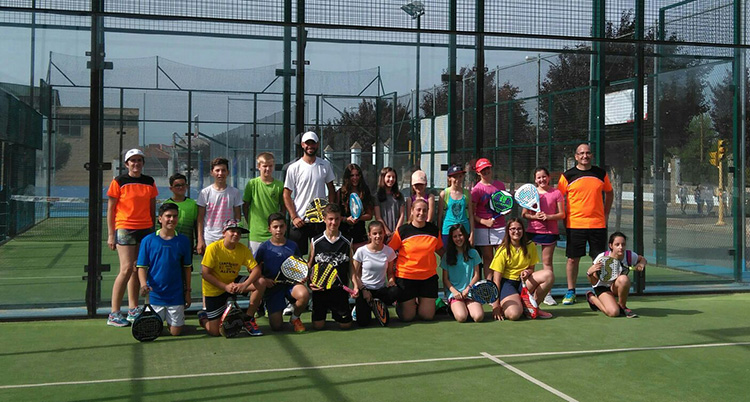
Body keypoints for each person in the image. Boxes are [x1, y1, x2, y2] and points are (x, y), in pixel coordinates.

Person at [106, 148, 158, 327]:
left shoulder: (149, 182)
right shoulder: (118, 182)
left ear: (143, 163)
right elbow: (111, 209)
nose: (136, 164)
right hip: (125, 228)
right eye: (132, 161)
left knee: (138, 268)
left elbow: (152, 207)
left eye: (139, 160)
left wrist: (153, 228)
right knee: (126, 268)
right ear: (127, 164)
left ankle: (133, 309)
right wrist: (111, 235)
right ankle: (114, 313)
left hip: (146, 229)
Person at [557, 144, 613, 305]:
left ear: (591, 155)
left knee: (599, 261)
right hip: (575, 225)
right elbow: (559, 198)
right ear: (576, 156)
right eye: (581, 153)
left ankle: (599, 290)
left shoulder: (600, 174)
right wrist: (564, 218)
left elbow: (609, 192)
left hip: (597, 224)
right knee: (572, 260)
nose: (585, 156)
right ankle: (570, 292)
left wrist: (606, 213)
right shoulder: (567, 176)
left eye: (588, 153)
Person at [201, 219, 265, 336]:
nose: (236, 234)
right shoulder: (213, 248)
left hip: (234, 284)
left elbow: (256, 270)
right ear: (224, 232)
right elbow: (205, 274)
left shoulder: (243, 249)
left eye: (239, 232)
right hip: (215, 289)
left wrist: (244, 285)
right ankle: (203, 318)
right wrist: (225, 287)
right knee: (214, 332)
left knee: (261, 282)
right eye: (232, 231)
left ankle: (248, 319)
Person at [136, 203, 193, 336]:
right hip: (155, 295)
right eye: (168, 216)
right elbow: (141, 267)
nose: (171, 219)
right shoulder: (148, 240)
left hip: (176, 295)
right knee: (153, 331)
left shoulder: (183, 241)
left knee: (175, 333)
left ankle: (177, 323)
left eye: (174, 216)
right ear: (160, 218)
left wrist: (187, 291)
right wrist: (143, 284)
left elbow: (187, 268)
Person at [389, 198, 444, 321]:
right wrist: (390, 275)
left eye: (425, 210)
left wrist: (457, 258)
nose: (421, 213)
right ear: (412, 211)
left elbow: (440, 250)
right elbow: (389, 252)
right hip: (406, 277)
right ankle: (403, 303)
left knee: (427, 316)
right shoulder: (402, 231)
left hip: (428, 278)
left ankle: (420, 302)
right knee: (407, 317)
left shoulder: (434, 230)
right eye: (418, 210)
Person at [488, 219, 554, 320]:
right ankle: (517, 305)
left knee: (548, 275)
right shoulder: (502, 250)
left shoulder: (530, 246)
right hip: (508, 284)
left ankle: (533, 307)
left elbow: (531, 269)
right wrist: (495, 305)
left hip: (524, 282)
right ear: (508, 231)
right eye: (513, 229)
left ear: (523, 230)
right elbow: (496, 280)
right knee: (513, 315)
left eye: (519, 229)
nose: (516, 232)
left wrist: (527, 272)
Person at [254, 213, 309, 333]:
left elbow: (299, 264)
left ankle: (294, 318)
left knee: (304, 294)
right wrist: (264, 278)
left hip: (290, 285)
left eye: (281, 226)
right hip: (273, 287)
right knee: (276, 327)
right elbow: (253, 268)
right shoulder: (264, 247)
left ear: (285, 227)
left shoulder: (293, 245)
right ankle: (268, 306)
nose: (278, 230)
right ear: (269, 229)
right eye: (275, 227)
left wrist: (301, 277)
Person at [283, 131, 336, 256]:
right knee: (297, 259)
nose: (310, 146)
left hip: (319, 222)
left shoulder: (325, 165)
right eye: (307, 143)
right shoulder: (294, 168)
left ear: (317, 145)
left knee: (320, 258)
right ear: (302, 145)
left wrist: (328, 212)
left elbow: (331, 189)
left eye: (313, 143)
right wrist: (294, 217)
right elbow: (286, 194)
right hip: (300, 221)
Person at [521, 167, 565, 306]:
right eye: (539, 177)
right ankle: (528, 291)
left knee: (547, 263)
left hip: (549, 233)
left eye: (544, 177)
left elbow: (562, 214)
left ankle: (547, 293)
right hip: (532, 231)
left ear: (549, 177)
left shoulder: (556, 193)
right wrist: (535, 216)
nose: (542, 180)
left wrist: (548, 216)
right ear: (535, 180)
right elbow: (524, 214)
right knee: (529, 264)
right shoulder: (530, 194)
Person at [309, 204, 353, 330]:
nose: (333, 222)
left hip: (339, 290)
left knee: (346, 325)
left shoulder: (347, 241)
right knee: (318, 326)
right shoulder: (315, 241)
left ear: (340, 219)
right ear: (324, 219)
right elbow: (310, 264)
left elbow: (351, 267)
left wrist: (355, 285)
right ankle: (320, 313)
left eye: (337, 219)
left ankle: (340, 313)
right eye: (330, 219)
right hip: (320, 290)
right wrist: (309, 282)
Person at [585, 232, 646, 318]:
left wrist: (641, 264)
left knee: (624, 279)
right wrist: (589, 273)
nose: (620, 247)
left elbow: (642, 259)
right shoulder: (602, 258)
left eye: (623, 244)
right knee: (613, 312)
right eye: (617, 244)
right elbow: (594, 282)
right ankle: (592, 298)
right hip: (602, 287)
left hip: (615, 286)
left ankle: (622, 306)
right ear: (611, 245)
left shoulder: (629, 255)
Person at [351, 221, 399, 327]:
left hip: (380, 290)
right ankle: (361, 308)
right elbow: (354, 274)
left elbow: (390, 273)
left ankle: (379, 306)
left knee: (395, 291)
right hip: (365, 290)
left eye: (380, 233)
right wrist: (363, 290)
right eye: (375, 233)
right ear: (369, 235)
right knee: (363, 323)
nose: (378, 236)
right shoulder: (361, 251)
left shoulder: (389, 251)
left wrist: (391, 280)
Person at [196, 157, 243, 255]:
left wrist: (235, 234)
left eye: (223, 170)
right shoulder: (205, 193)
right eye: (217, 170)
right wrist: (200, 239)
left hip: (227, 238)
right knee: (209, 269)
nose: (220, 173)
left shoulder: (235, 192)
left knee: (227, 268)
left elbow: (237, 216)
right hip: (209, 237)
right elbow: (200, 218)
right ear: (212, 172)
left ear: (228, 172)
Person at [471, 157, 507, 279]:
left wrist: (505, 210)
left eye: (487, 169)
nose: (486, 172)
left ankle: (501, 285)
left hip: (500, 226)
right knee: (488, 258)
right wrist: (484, 221)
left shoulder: (500, 185)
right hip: (482, 229)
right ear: (478, 172)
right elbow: (472, 212)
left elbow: (504, 204)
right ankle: (489, 286)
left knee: (501, 257)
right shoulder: (476, 190)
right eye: (482, 170)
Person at [243, 152, 284, 255]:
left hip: (273, 234)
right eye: (264, 166)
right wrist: (251, 223)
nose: (267, 169)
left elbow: (283, 207)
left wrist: (278, 225)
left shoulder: (279, 185)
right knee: (254, 266)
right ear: (258, 167)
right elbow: (245, 205)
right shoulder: (252, 184)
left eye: (270, 166)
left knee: (273, 265)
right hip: (256, 234)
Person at [441, 224, 483, 323]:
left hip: (470, 291)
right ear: (451, 239)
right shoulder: (447, 256)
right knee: (461, 317)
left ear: (465, 235)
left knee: (478, 317)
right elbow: (445, 279)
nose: (458, 238)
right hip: (454, 293)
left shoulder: (473, 253)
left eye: (460, 235)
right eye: (455, 236)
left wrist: (468, 289)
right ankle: (453, 308)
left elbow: (476, 275)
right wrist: (455, 292)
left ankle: (467, 307)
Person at [337, 163, 374, 252]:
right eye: (352, 175)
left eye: (357, 175)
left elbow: (369, 215)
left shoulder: (364, 191)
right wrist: (346, 219)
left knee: (359, 261)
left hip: (359, 231)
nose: (355, 178)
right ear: (347, 177)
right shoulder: (340, 193)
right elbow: (335, 215)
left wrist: (357, 218)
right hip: (343, 231)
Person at [438, 164, 475, 247]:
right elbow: (440, 216)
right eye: (455, 177)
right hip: (448, 230)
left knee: (465, 255)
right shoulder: (444, 194)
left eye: (460, 176)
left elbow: (471, 215)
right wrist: (439, 233)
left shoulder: (467, 194)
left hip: (464, 229)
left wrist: (472, 234)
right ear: (449, 178)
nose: (458, 179)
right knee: (448, 256)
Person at [163, 173, 198, 250]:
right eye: (177, 185)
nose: (181, 187)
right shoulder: (166, 204)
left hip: (187, 244)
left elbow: (196, 225)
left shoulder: (193, 204)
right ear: (171, 188)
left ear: (187, 186)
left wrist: (198, 241)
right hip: (170, 244)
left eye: (183, 185)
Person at [374, 167, 405, 243]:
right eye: (388, 177)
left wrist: (396, 231)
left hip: (397, 232)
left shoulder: (399, 196)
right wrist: (386, 231)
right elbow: (378, 216)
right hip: (383, 233)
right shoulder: (377, 196)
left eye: (393, 177)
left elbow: (402, 215)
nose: (391, 179)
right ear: (383, 177)